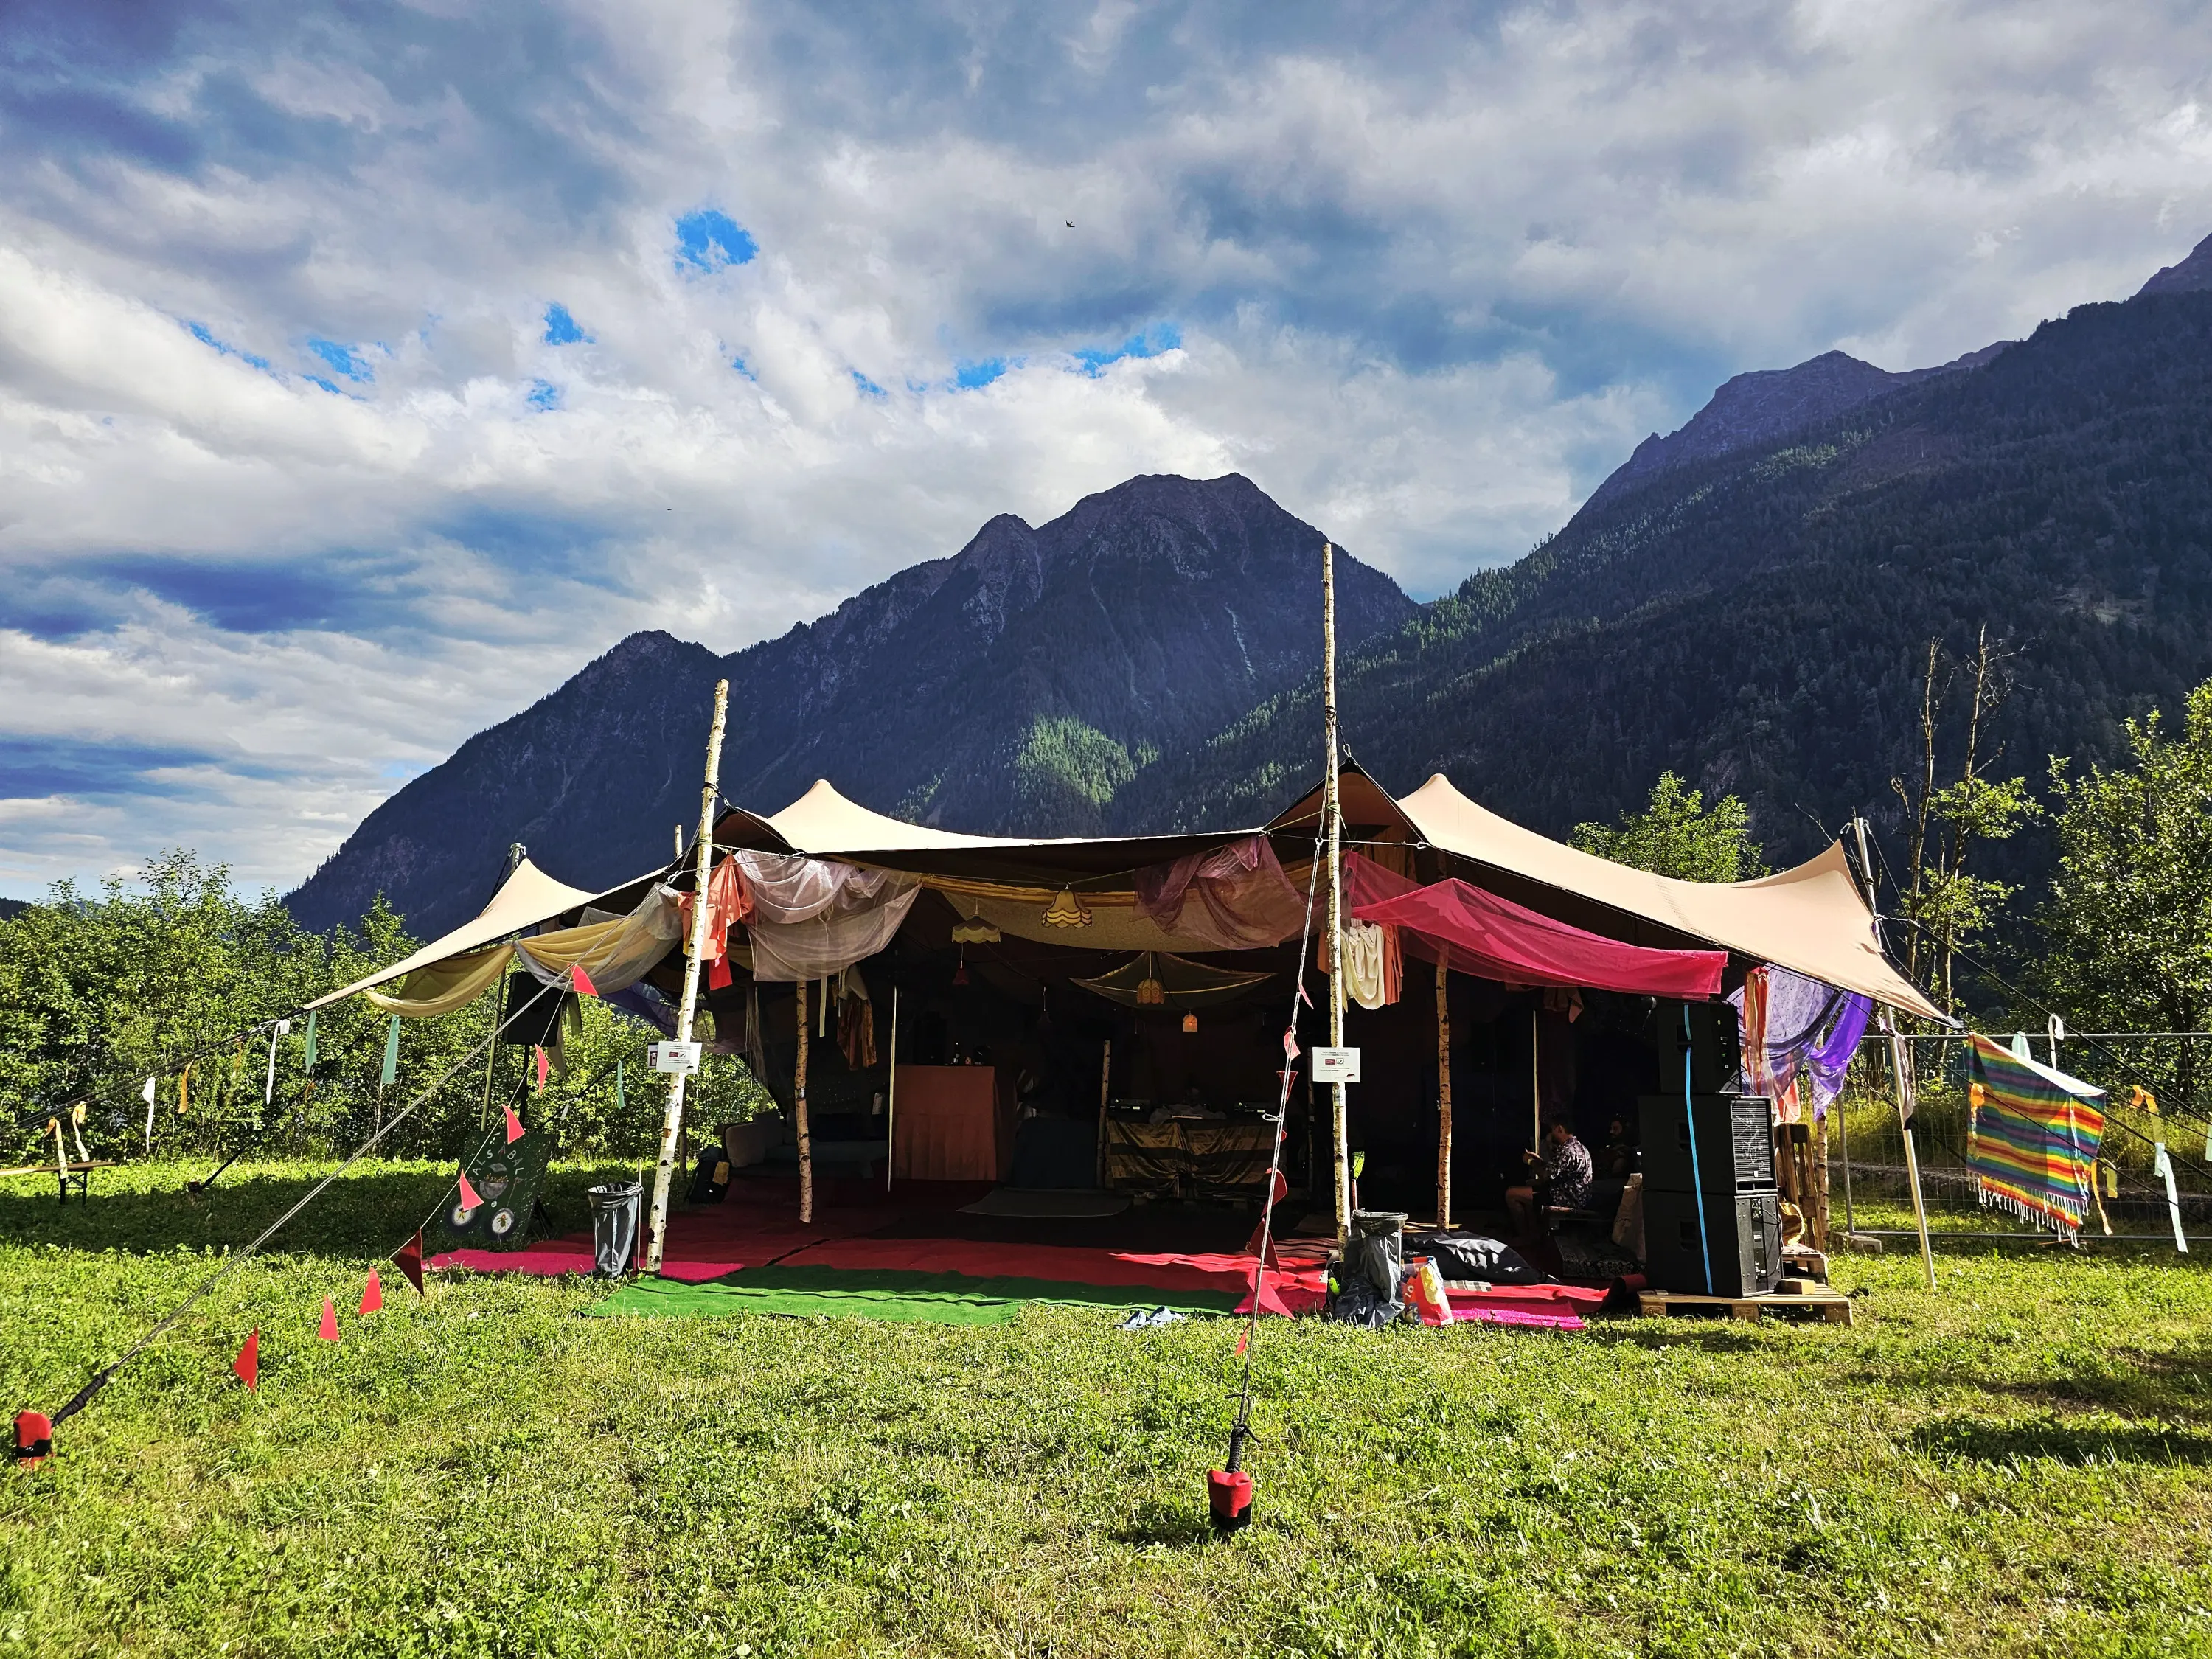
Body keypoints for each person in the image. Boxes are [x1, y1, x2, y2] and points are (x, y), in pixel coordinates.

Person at [1505, 1117, 1596, 1237]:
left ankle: (1525, 1236)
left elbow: (1546, 1175)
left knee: (1511, 1194)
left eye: (1552, 1129)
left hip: (1567, 1200)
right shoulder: (1580, 1147)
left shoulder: (1567, 1150)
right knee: (1529, 1185)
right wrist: (1538, 1160)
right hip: (1576, 1196)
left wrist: (1530, 1161)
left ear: (1560, 1128)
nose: (1551, 1133)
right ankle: (1533, 1233)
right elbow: (1555, 1170)